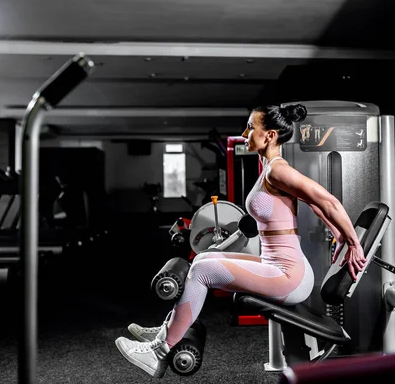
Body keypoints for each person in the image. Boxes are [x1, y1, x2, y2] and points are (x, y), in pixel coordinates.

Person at [114, 103, 366, 378]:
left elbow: (326, 200)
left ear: (269, 135)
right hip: (278, 266)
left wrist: (353, 242)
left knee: (201, 271)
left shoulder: (277, 171)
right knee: (202, 258)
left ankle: (159, 351)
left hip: (288, 276)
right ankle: (168, 328)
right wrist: (339, 235)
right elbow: (314, 204)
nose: (244, 133)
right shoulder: (269, 168)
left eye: (250, 127)